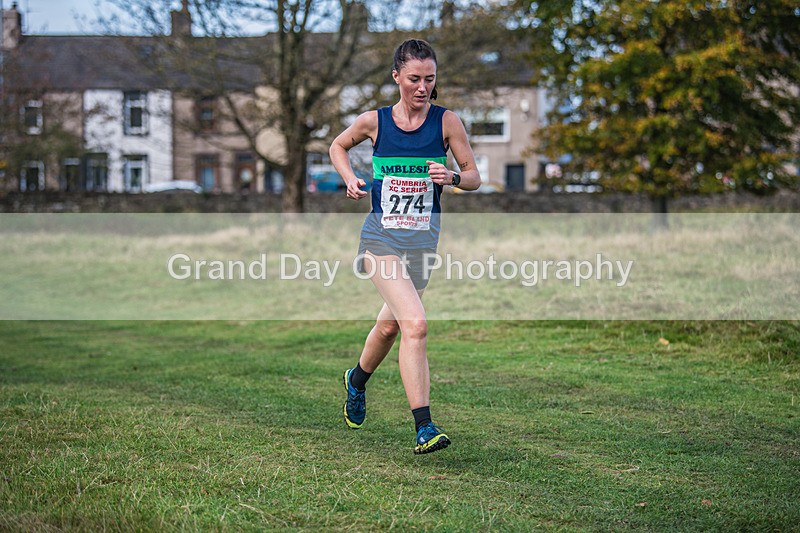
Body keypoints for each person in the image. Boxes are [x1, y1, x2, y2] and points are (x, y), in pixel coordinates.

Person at [329, 38, 481, 454]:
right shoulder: (374, 122)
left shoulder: (446, 123)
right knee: (415, 323)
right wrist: (349, 178)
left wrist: (450, 177)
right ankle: (424, 427)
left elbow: (473, 177)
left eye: (429, 79)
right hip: (380, 238)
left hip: (421, 244)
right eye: (414, 78)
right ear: (396, 76)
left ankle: (355, 380)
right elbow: (337, 146)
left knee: (391, 324)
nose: (422, 87)